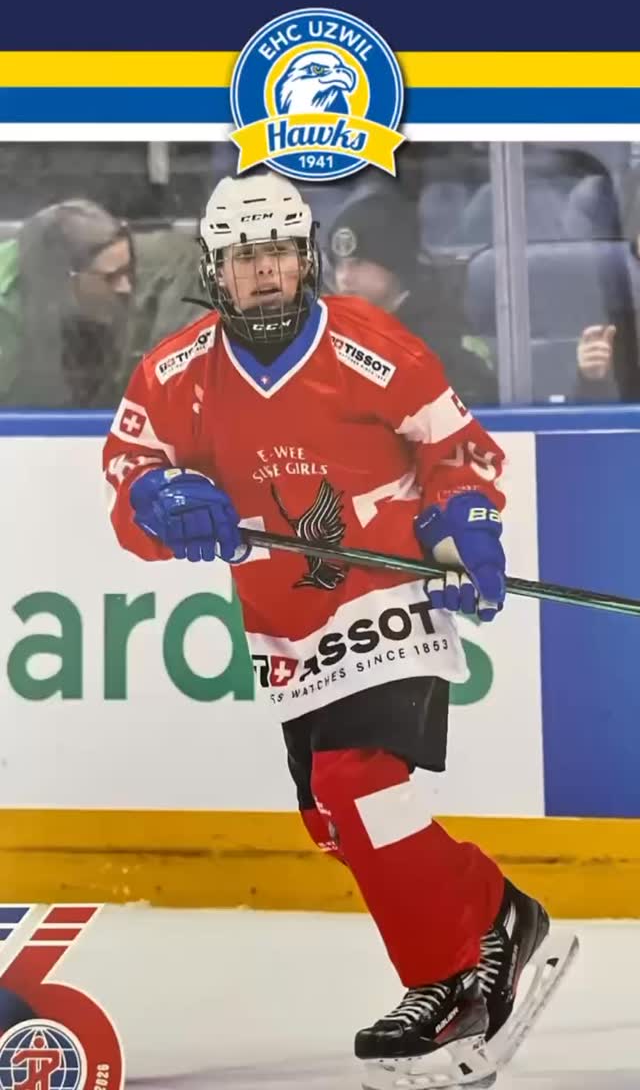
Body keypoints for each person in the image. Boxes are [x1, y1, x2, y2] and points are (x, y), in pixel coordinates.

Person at [103, 172, 570, 1086]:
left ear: (306, 255)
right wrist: (158, 502)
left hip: (384, 591)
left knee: (358, 781)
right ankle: (498, 915)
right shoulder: (174, 375)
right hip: (284, 622)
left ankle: (447, 982)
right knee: (333, 819)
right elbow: (128, 483)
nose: (266, 272)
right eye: (245, 258)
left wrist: (462, 517)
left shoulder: (369, 344)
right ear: (216, 269)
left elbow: (458, 453)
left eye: (279, 251)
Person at [326, 189, 498, 406]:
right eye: (339, 265)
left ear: (394, 263)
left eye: (358, 263)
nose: (344, 278)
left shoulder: (443, 338)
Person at [0, 199, 135, 407]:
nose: (126, 288)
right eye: (111, 277)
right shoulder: (6, 315)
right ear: (64, 277)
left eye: (128, 270)